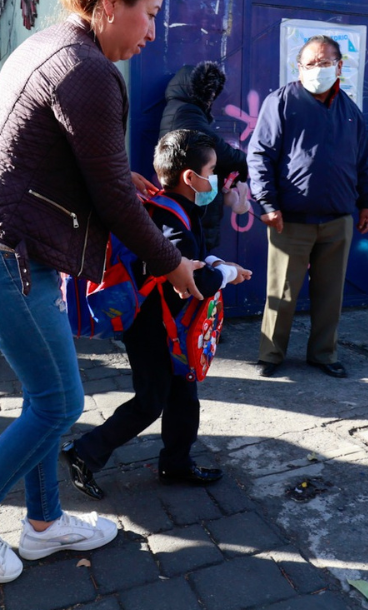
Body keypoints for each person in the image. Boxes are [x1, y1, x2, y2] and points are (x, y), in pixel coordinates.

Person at [0, 0, 204, 585]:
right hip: (6, 259)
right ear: (110, 2)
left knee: (45, 397)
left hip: (0, 251)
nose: (153, 32)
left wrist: (115, 173)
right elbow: (113, 201)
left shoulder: (48, 44)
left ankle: (45, 524)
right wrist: (173, 263)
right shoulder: (89, 70)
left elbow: (45, 152)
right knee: (58, 403)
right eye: (149, 13)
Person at [62, 130, 250, 500]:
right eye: (212, 171)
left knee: (183, 396)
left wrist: (216, 262)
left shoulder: (173, 208)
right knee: (151, 400)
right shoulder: (170, 218)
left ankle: (176, 463)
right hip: (153, 329)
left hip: (167, 326)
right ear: (190, 177)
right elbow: (194, 281)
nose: (215, 179)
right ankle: (84, 452)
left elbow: (194, 258)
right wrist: (227, 272)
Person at [247, 35, 368, 379]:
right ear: (299, 68)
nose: (316, 69)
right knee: (282, 292)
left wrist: (367, 204)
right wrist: (267, 202)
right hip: (290, 219)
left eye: (324, 63)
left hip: (338, 219)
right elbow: (259, 155)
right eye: (309, 64)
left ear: (339, 66)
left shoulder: (350, 111)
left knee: (330, 294)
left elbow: (364, 163)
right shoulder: (282, 101)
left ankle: (323, 354)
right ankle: (271, 354)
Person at [159, 62, 248, 253]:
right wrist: (245, 163)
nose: (211, 98)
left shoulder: (181, 109)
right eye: (208, 92)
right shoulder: (186, 111)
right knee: (197, 254)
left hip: (193, 193)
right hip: (194, 195)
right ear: (196, 90)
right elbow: (216, 149)